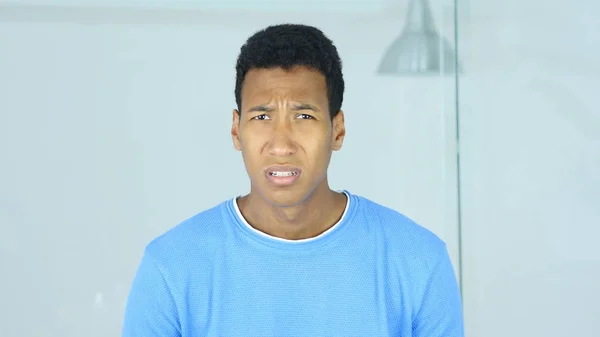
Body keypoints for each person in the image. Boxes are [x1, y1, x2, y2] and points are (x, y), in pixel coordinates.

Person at [121, 23, 464, 337]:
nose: (281, 144)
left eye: (303, 115)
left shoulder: (419, 261)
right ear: (236, 130)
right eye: (262, 116)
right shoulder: (170, 267)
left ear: (338, 130)